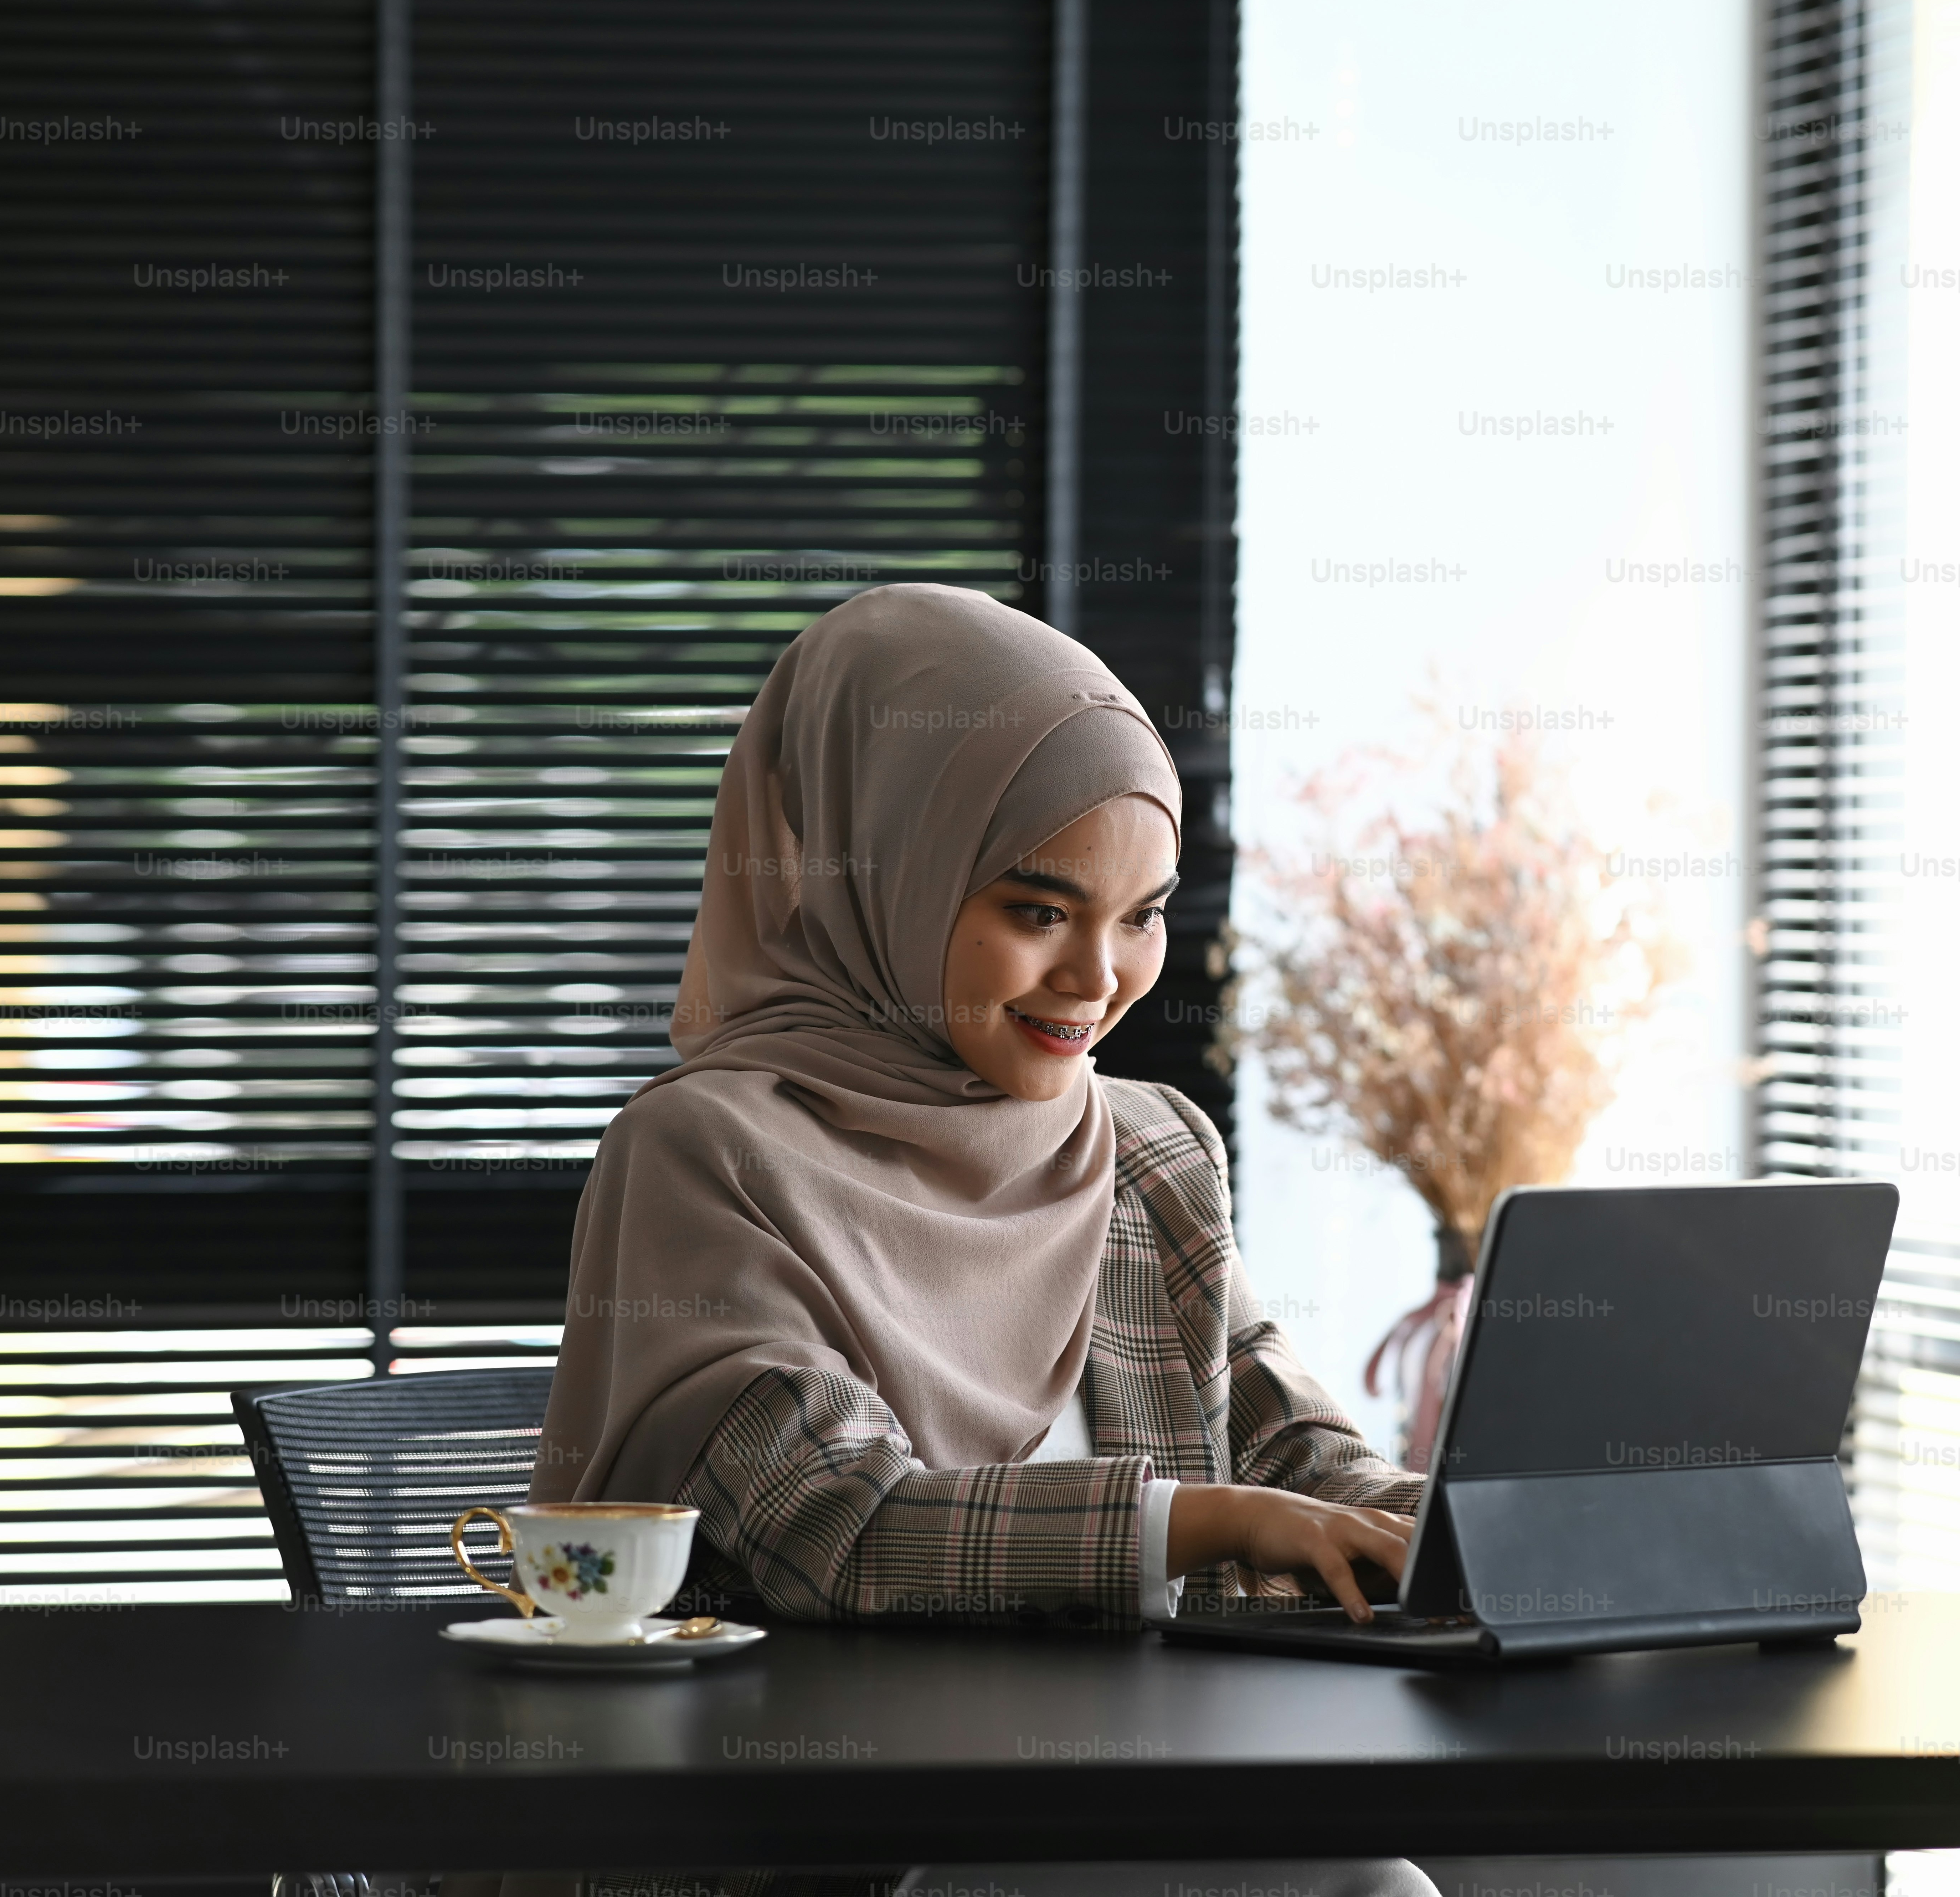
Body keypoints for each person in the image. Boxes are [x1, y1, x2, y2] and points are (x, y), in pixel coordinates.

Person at [522, 583, 1436, 1897]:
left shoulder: (1152, 1147)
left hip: (1146, 1780)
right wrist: (1210, 1523)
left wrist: (1479, 1532)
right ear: (879, 865)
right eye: (1038, 910)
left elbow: (1290, 1446)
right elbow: (836, 1527)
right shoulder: (707, 1150)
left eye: (1142, 915)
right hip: (830, 1837)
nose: (1100, 980)